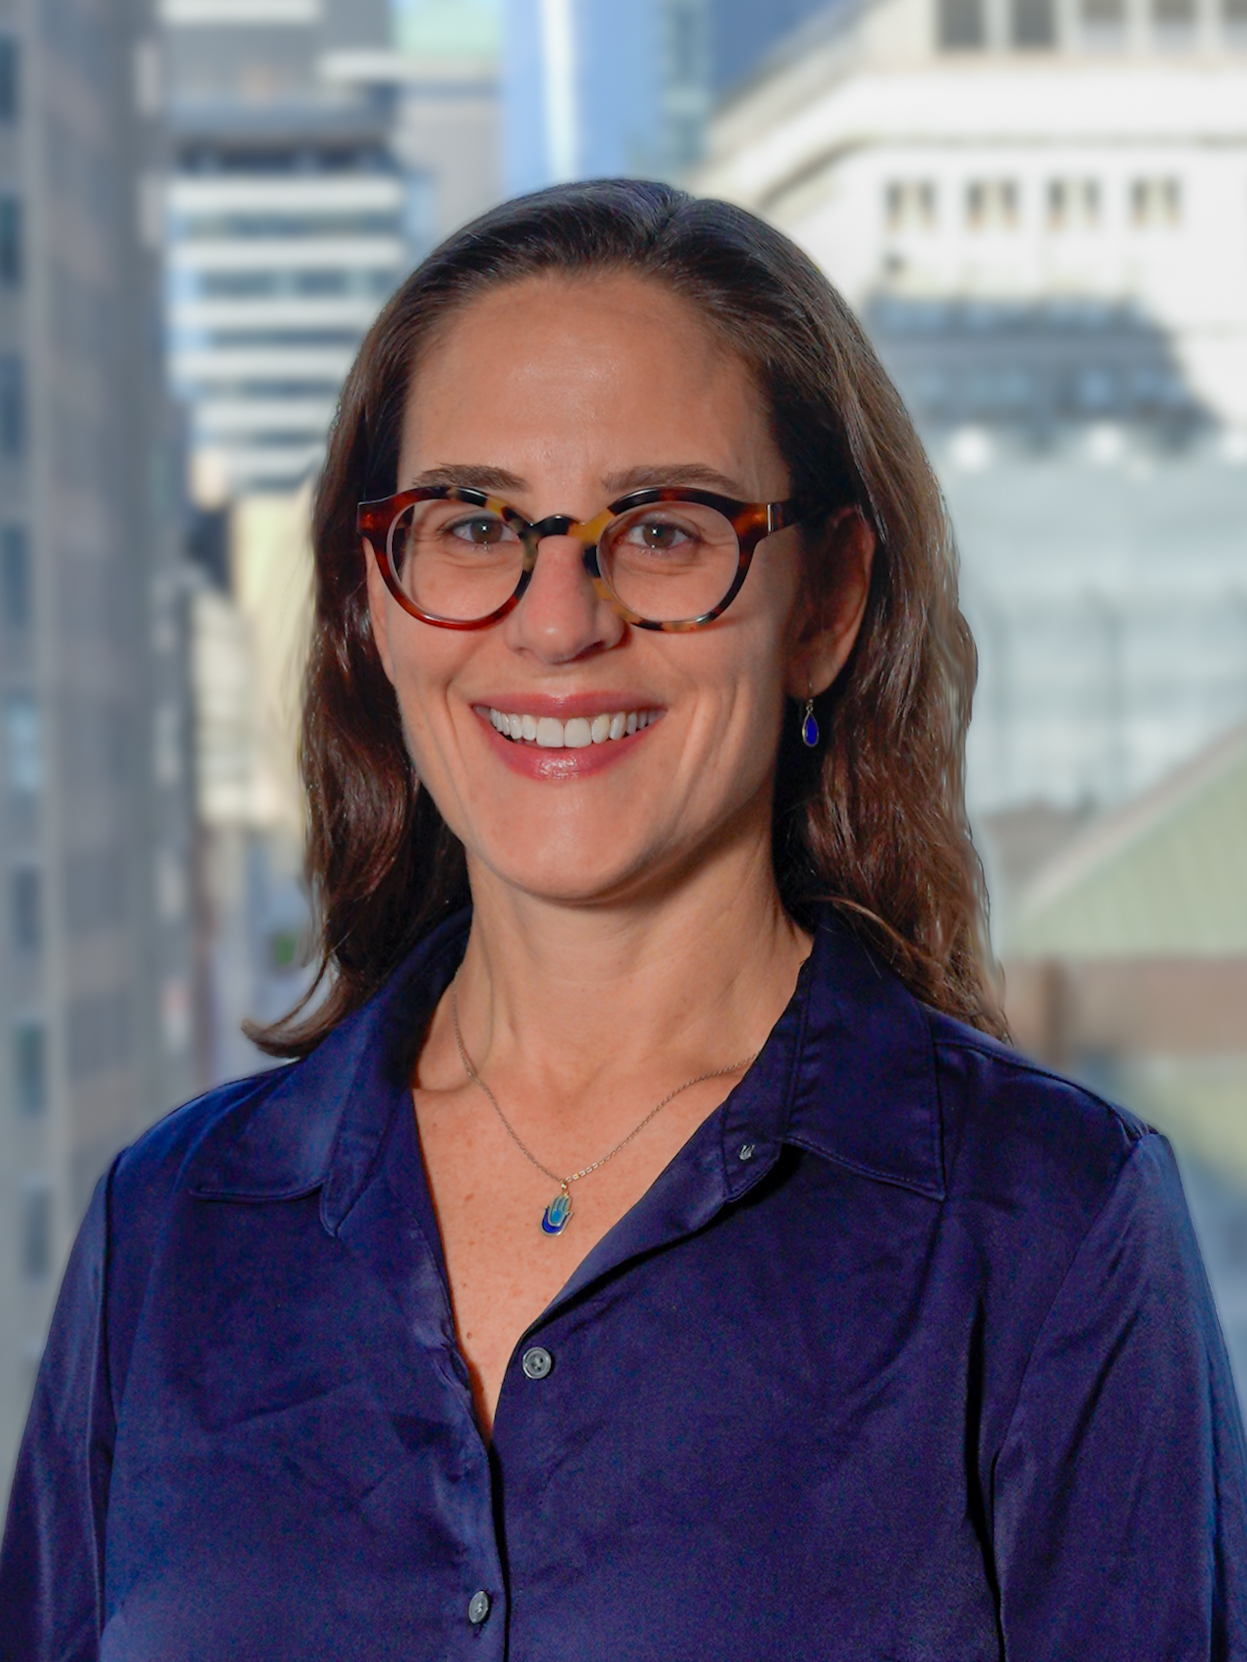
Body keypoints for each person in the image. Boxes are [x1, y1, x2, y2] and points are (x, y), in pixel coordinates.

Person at [2, 180, 1245, 1661]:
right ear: (377, 601)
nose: (557, 620)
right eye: (474, 522)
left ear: (829, 600)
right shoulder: (174, 1229)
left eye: (660, 529)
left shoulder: (1046, 1228)